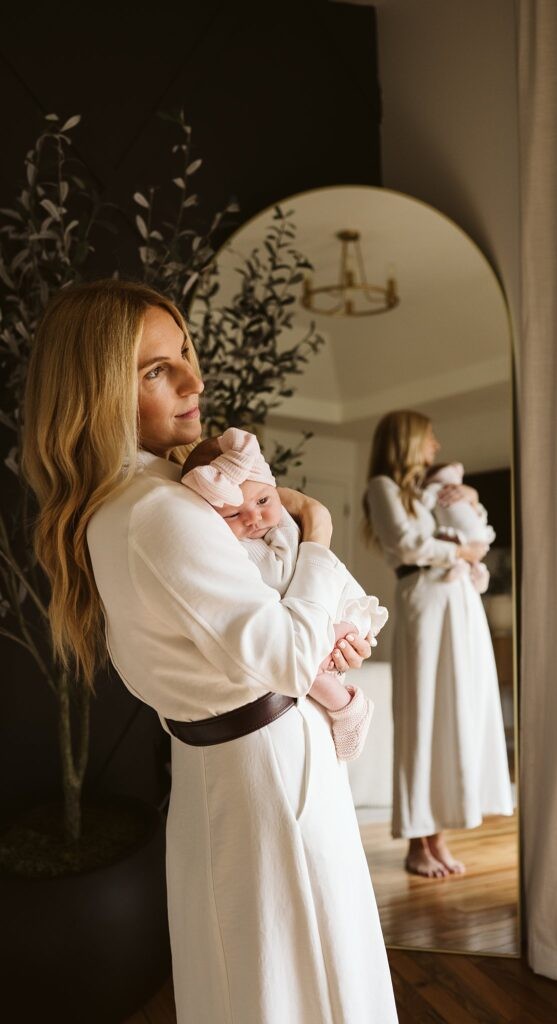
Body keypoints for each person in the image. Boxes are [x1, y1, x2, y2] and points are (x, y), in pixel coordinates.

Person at [23, 280, 399, 1024]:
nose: (194, 381)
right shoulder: (158, 512)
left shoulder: (142, 501)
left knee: (254, 977)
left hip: (225, 770)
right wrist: (317, 530)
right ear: (97, 393)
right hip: (267, 772)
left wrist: (320, 631)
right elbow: (287, 655)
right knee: (304, 982)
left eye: (185, 354)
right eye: (155, 370)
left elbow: (266, 636)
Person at [363, 410, 513, 879]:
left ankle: (439, 837)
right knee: (424, 713)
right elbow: (409, 545)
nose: (436, 446)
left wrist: (470, 501)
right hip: (425, 601)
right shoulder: (382, 488)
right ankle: (416, 841)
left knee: (455, 711)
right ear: (408, 441)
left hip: (461, 602)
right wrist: (458, 552)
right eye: (429, 438)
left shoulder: (433, 489)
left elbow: (477, 538)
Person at [181, 427, 388, 761]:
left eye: (263, 501)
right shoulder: (234, 546)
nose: (254, 518)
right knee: (307, 666)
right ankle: (347, 705)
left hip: (335, 607)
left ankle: (345, 701)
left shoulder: (284, 524)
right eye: (233, 514)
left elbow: (288, 575)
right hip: (311, 623)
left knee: (316, 660)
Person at [422, 460, 495, 593]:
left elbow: (479, 514)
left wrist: (473, 498)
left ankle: (475, 569)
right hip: (461, 543)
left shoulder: (465, 494)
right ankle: (465, 566)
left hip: (478, 539)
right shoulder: (436, 491)